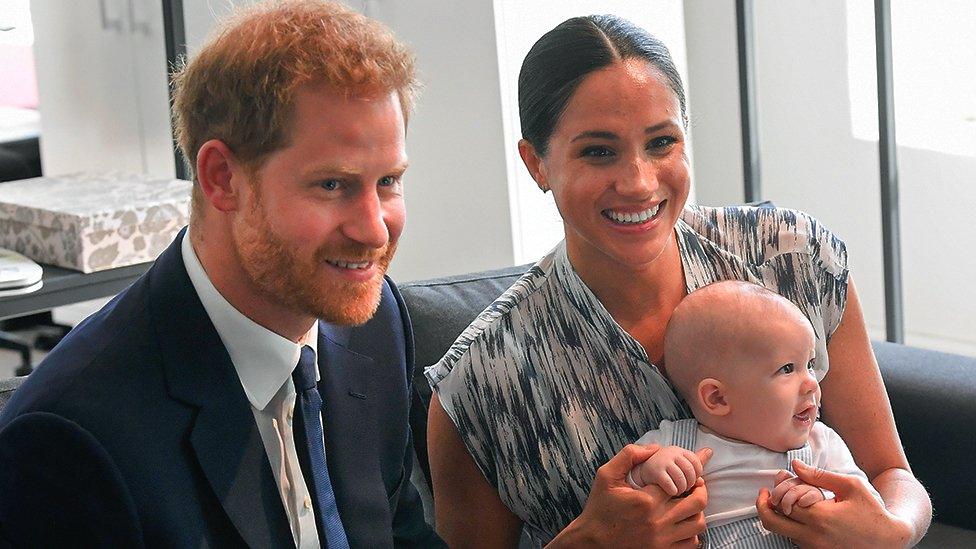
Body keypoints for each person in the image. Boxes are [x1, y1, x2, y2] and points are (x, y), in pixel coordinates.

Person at [426, 13, 931, 548]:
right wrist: (589, 543)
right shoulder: (480, 385)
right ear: (537, 165)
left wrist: (891, 530)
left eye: (662, 143)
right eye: (598, 151)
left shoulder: (791, 255)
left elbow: (891, 474)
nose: (640, 183)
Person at [0, 2, 441, 547]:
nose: (375, 231)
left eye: (389, 182)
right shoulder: (70, 440)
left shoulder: (373, 325)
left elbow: (400, 534)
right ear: (221, 178)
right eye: (333, 185)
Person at [628, 280, 883, 547]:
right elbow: (622, 499)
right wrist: (649, 471)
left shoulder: (822, 445)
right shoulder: (673, 444)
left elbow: (867, 512)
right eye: (787, 369)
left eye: (808, 365)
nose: (811, 383)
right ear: (717, 398)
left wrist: (821, 500)